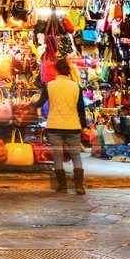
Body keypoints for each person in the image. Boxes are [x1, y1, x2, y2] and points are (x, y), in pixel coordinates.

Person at [33, 58, 89, 194]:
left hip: (55, 126)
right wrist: (83, 125)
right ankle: (79, 187)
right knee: (76, 155)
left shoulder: (49, 85)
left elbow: (39, 103)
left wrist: (31, 103)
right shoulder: (76, 86)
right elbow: (81, 109)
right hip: (73, 126)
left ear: (56, 70)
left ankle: (62, 187)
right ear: (69, 71)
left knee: (57, 156)